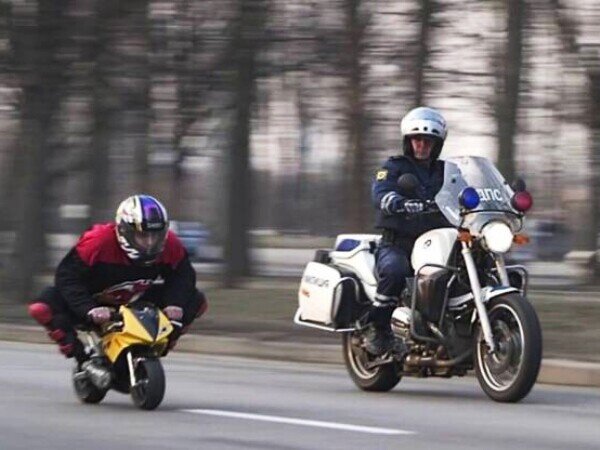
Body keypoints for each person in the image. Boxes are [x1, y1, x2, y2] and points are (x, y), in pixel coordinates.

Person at [27, 194, 208, 364]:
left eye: (156, 236)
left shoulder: (171, 245)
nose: (150, 243)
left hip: (136, 303)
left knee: (196, 300)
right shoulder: (98, 242)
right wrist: (88, 308)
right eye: (143, 236)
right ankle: (77, 352)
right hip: (91, 303)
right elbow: (67, 277)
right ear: (124, 231)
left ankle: (164, 342)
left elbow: (184, 276)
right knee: (42, 307)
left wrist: (174, 303)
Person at [365, 106, 450, 356]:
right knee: (395, 271)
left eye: (428, 141)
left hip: (436, 244)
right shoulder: (394, 166)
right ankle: (378, 330)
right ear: (408, 141)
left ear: (436, 144)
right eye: (417, 139)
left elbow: (466, 190)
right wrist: (395, 201)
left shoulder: (447, 171)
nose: (421, 145)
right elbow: (381, 191)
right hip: (399, 243)